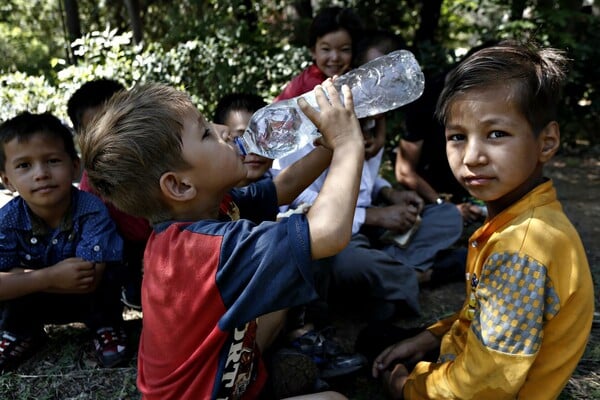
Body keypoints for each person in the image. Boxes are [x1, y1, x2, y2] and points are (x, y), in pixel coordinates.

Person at [79, 80, 364, 399]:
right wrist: (348, 145)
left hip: (215, 373)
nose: (223, 130)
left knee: (277, 303)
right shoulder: (202, 251)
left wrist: (328, 145)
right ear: (180, 186)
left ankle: (261, 373)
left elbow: (284, 187)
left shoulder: (213, 207)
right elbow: (328, 233)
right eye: (205, 133)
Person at [372, 41, 595, 399]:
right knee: (379, 339)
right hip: (470, 359)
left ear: (547, 142)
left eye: (496, 134)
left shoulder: (521, 251)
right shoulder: (523, 219)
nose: (472, 156)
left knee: (375, 354)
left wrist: (406, 387)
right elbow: (481, 312)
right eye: (457, 137)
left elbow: (478, 388)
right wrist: (430, 337)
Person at [0, 112, 128, 371]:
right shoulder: (7, 220)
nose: (41, 174)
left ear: (75, 166)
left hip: (88, 297)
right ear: (6, 180)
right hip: (36, 296)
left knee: (110, 267)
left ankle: (105, 326)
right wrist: (48, 277)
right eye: (24, 165)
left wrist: (20, 278)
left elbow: (89, 278)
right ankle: (22, 332)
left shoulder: (91, 209)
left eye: (53, 160)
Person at [68, 78, 149, 310]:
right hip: (123, 249)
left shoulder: (157, 159)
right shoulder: (91, 184)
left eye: (118, 124)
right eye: (97, 130)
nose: (110, 137)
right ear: (82, 138)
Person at [275, 6, 363, 102]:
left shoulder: (350, 75)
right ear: (313, 51)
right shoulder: (315, 86)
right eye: (326, 49)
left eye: (344, 49)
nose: (335, 57)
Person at [213, 92, 272, 186]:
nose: (254, 150)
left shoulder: (293, 186)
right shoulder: (206, 194)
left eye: (263, 137)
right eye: (241, 139)